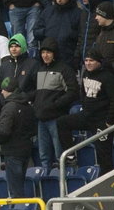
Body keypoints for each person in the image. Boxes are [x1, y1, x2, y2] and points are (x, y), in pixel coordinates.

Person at [60, 50, 114, 175]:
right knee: (62, 122)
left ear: (99, 62)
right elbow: (82, 93)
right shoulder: (86, 74)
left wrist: (110, 121)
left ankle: (107, 184)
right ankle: (70, 155)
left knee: (104, 156)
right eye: (86, 60)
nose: (88, 63)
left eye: (91, 61)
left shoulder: (108, 77)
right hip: (87, 116)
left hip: (102, 121)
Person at [33, 39, 79, 169]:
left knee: (61, 155)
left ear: (54, 53)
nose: (45, 55)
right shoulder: (39, 69)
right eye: (43, 52)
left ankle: (64, 181)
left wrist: (56, 105)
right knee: (44, 155)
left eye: (48, 52)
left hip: (56, 119)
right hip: (41, 119)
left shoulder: (64, 69)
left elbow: (73, 92)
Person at [0, 78, 37, 199]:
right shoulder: (28, 106)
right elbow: (33, 128)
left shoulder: (9, 107)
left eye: (4, 89)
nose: (2, 92)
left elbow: (3, 131)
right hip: (25, 149)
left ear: (9, 91)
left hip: (12, 150)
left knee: (15, 190)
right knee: (20, 184)